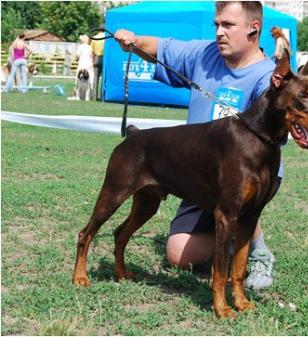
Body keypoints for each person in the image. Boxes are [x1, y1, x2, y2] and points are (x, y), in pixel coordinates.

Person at [115, 1, 283, 290]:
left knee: (237, 189)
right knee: (178, 254)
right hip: (201, 172)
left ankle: (257, 253)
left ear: (253, 28)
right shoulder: (206, 53)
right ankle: (228, 243)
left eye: (228, 25)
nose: (219, 32)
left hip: (248, 173)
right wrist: (133, 41)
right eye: (217, 24)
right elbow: (160, 47)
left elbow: (269, 141)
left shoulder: (268, 78)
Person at [74, 34, 94, 98]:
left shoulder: (80, 47)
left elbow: (77, 56)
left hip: (81, 65)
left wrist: (76, 58)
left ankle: (79, 96)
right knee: (89, 82)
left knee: (79, 81)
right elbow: (92, 57)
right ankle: (88, 96)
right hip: (89, 65)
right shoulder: (90, 47)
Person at [91, 30, 105, 101]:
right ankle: (102, 96)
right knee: (104, 78)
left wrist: (93, 60)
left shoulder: (95, 37)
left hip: (96, 57)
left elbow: (92, 51)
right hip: (104, 58)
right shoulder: (106, 38)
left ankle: (94, 96)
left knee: (95, 77)